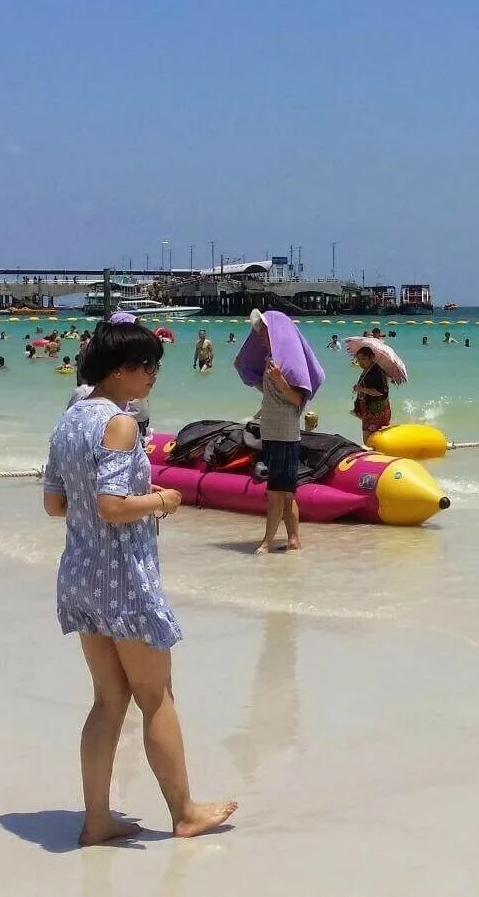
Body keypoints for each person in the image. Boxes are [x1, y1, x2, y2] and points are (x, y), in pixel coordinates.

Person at [42, 319, 236, 842]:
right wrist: (162, 501)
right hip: (123, 579)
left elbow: (54, 503)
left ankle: (97, 819)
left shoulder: (68, 421)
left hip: (81, 573)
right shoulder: (120, 423)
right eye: (148, 366)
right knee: (156, 697)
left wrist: (116, 504)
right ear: (121, 369)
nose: (153, 375)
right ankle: (185, 813)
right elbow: (112, 506)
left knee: (108, 700)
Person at [238, 310, 321, 555]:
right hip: (271, 432)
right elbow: (271, 395)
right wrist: (248, 374)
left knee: (275, 493)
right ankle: (294, 539)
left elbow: (297, 399)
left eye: (263, 330)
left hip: (285, 435)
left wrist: (279, 379)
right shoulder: (271, 359)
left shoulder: (286, 362)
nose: (260, 335)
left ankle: (267, 542)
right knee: (285, 494)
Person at [351, 346, 392, 437]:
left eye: (363, 359)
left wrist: (361, 389)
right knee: (371, 435)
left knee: (372, 437)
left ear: (372, 357)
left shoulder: (377, 372)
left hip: (376, 410)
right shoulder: (367, 369)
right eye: (358, 359)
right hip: (370, 409)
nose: (360, 362)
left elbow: (380, 391)